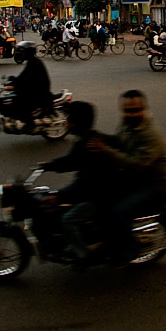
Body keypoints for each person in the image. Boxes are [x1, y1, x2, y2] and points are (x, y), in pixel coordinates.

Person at [89, 90, 166, 265]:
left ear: (144, 109)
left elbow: (136, 165)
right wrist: (98, 136)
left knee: (119, 211)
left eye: (135, 110)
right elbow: (119, 142)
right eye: (127, 110)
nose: (130, 114)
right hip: (133, 177)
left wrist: (105, 150)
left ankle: (128, 251)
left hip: (151, 186)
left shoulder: (151, 135)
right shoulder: (127, 124)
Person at [38, 101, 119, 265]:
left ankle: (84, 255)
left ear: (78, 123)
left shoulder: (93, 145)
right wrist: (49, 165)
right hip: (93, 190)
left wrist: (59, 196)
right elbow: (72, 161)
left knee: (67, 220)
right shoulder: (84, 139)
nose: (66, 122)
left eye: (69, 119)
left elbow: (86, 182)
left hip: (102, 195)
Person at [7, 41, 52, 130]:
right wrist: (12, 81)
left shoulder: (35, 64)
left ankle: (29, 123)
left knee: (20, 101)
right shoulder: (31, 62)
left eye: (23, 53)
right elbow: (22, 76)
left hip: (40, 92)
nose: (22, 55)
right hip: (35, 89)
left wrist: (15, 86)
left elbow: (27, 81)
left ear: (28, 53)